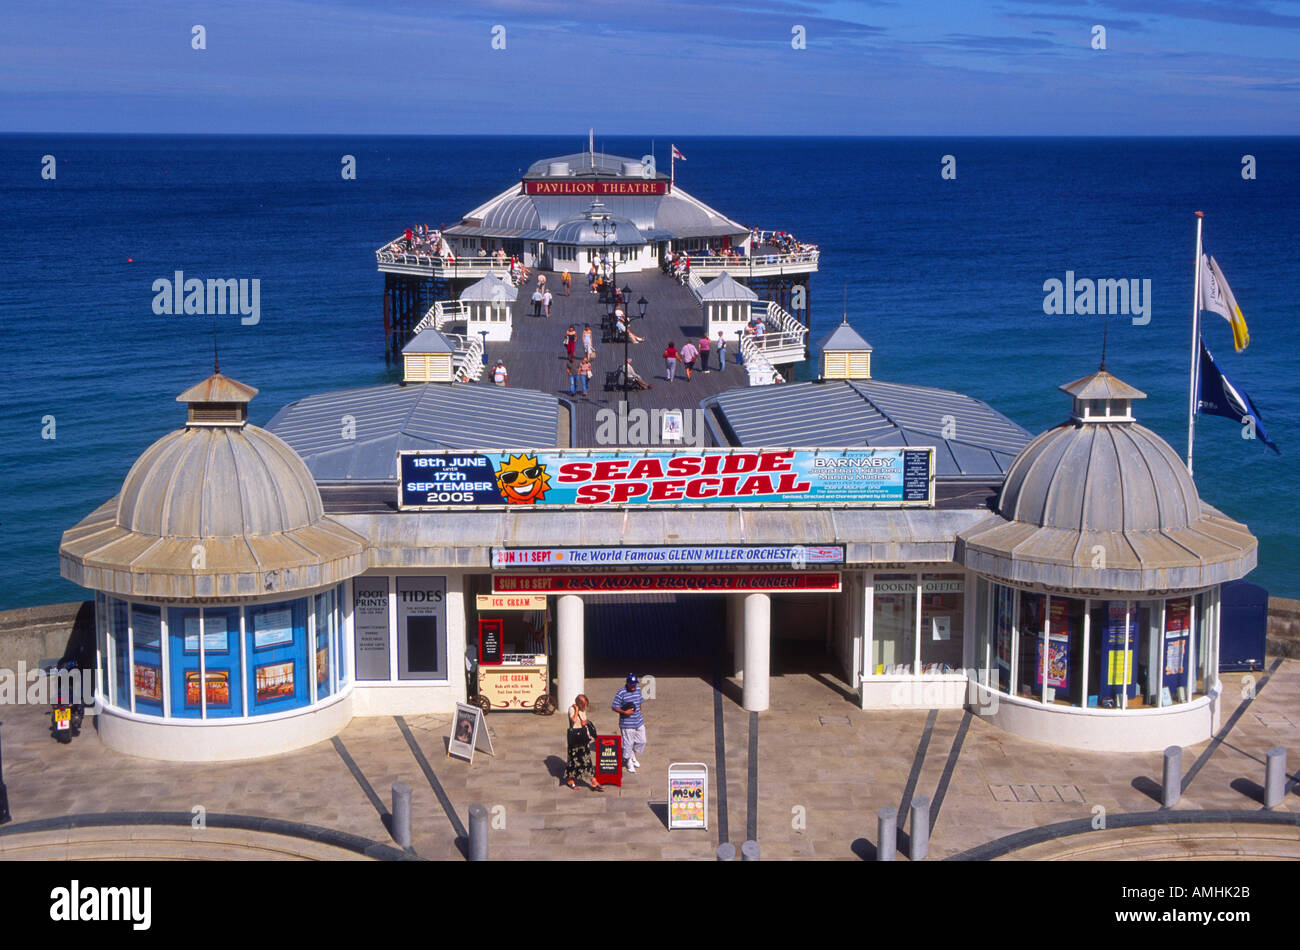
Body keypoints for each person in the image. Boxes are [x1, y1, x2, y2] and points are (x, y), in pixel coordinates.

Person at [564, 694, 602, 791]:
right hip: (575, 739)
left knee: (587, 760)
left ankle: (593, 781)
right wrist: (576, 710)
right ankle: (571, 781)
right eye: (584, 704)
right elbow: (573, 720)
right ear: (579, 704)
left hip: (583, 738)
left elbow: (583, 721)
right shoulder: (571, 709)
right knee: (573, 762)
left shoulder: (583, 710)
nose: (585, 706)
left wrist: (586, 722)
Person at [611, 674, 645, 773]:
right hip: (627, 724)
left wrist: (639, 709)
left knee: (642, 741)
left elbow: (639, 702)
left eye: (635, 684)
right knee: (628, 744)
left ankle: (632, 754)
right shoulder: (621, 693)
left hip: (638, 721)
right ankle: (628, 762)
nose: (633, 686)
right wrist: (624, 712)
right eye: (632, 685)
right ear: (627, 683)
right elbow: (614, 706)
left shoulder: (638, 690)